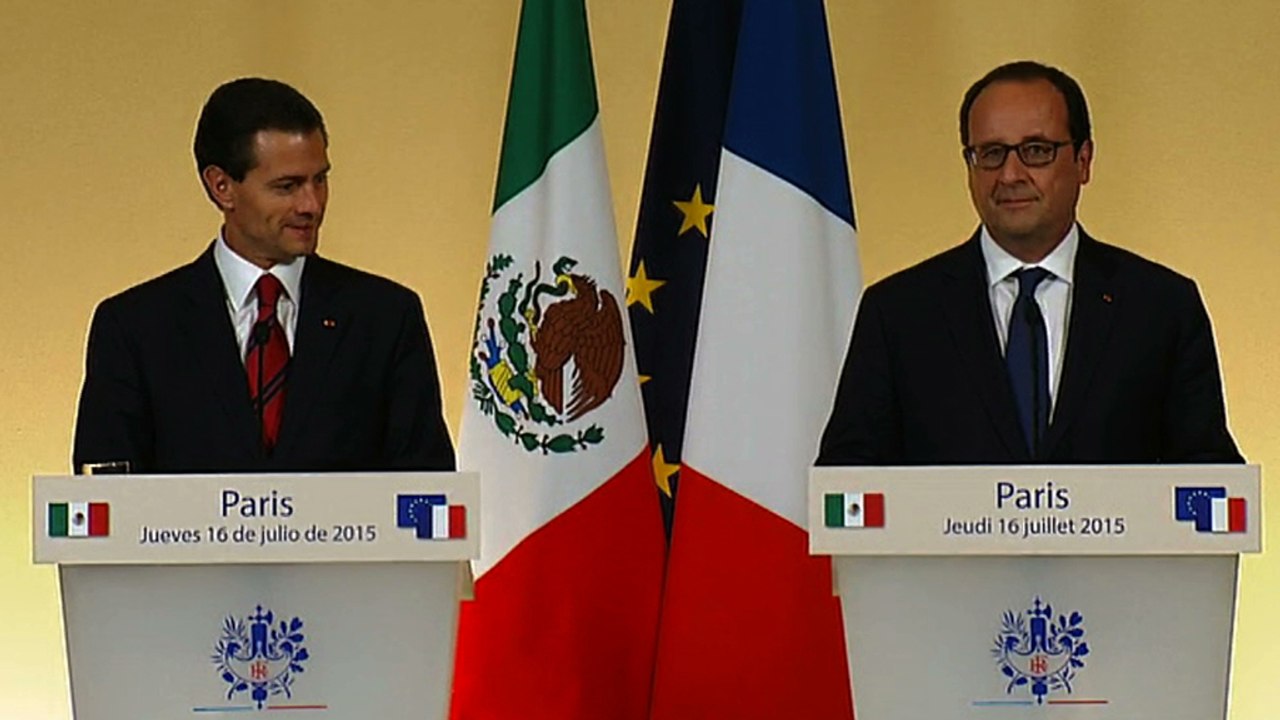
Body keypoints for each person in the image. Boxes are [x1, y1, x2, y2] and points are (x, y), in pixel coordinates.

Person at [817, 60, 1241, 466]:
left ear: (1083, 160)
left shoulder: (1161, 306)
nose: (1010, 175)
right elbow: (848, 479)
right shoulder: (899, 313)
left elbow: (1209, 476)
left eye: (1036, 151)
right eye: (991, 153)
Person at [73, 78, 455, 474]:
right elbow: (107, 503)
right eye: (287, 186)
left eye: (319, 180)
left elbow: (427, 487)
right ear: (222, 187)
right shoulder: (136, 328)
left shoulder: (385, 318)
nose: (311, 204)